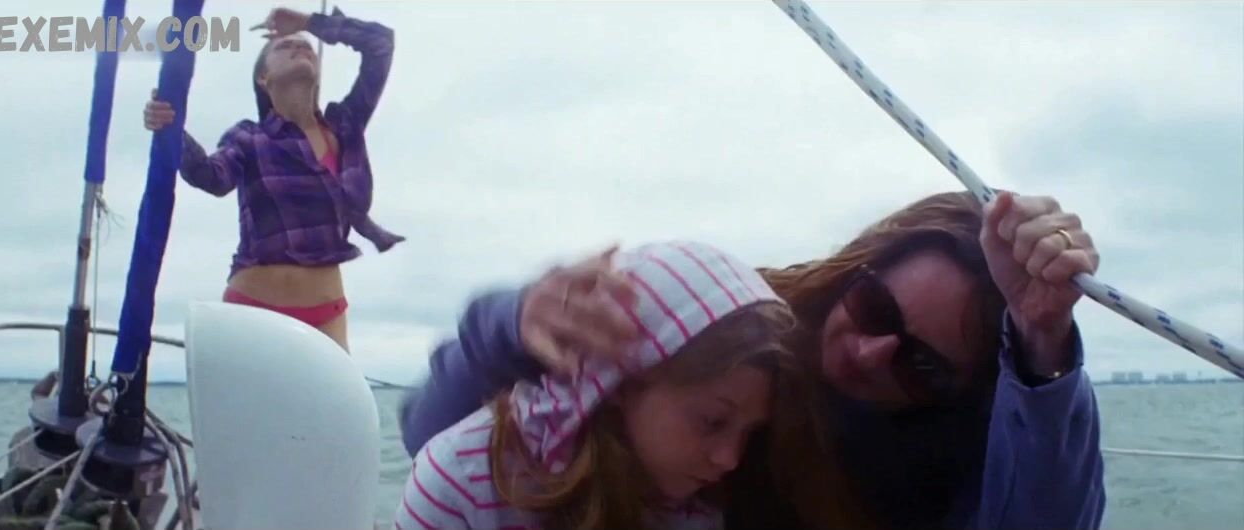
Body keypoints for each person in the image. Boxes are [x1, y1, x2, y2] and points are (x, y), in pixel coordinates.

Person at [397, 190, 1106, 529]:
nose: (869, 351)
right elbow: (434, 436)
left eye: (921, 366)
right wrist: (513, 327)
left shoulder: (944, 457)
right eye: (875, 308)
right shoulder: (715, 323)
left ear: (959, 393)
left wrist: (1041, 345)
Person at [392, 241, 867, 530]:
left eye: (748, 433)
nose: (729, 459)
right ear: (619, 382)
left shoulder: (691, 508)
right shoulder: (461, 481)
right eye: (713, 421)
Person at [142, 6, 404, 351]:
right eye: (284, 46)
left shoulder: (345, 125)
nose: (300, 46)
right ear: (263, 78)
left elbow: (380, 43)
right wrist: (171, 129)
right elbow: (211, 177)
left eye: (306, 45)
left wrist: (309, 23)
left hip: (327, 314)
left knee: (334, 390)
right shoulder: (249, 138)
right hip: (254, 311)